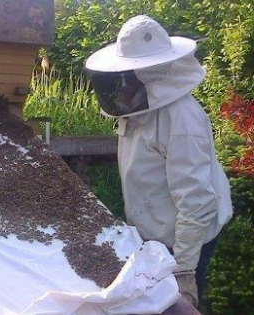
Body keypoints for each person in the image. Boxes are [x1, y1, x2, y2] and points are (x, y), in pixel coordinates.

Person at [84, 15, 233, 307]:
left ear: (150, 76)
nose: (120, 86)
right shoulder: (137, 111)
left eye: (127, 77)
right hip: (156, 233)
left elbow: (196, 200)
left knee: (178, 305)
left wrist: (185, 269)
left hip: (188, 237)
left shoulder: (181, 119)